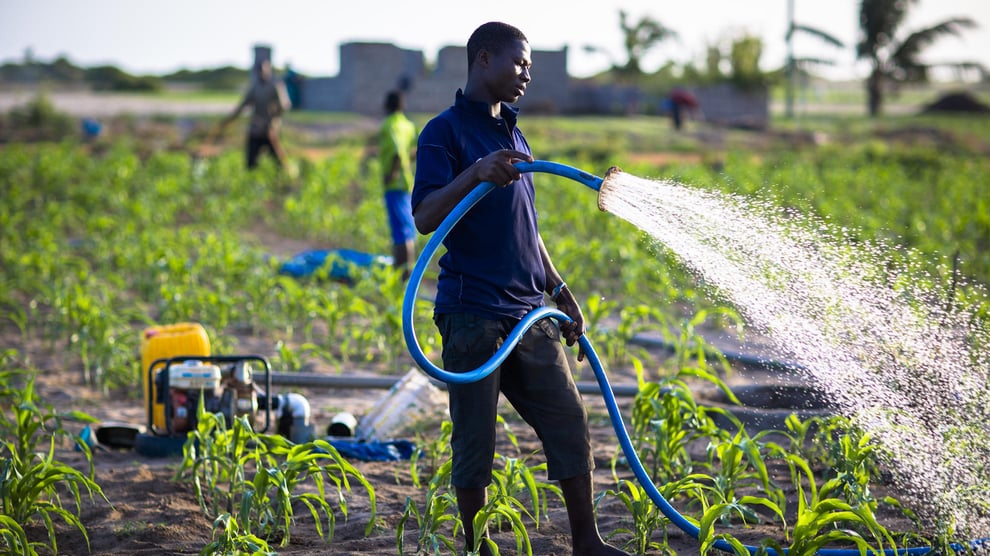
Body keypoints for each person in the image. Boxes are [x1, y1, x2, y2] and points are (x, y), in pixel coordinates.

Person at [411, 21, 628, 556]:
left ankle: (587, 543)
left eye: (529, 65)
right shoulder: (444, 133)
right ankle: (478, 547)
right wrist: (476, 173)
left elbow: (526, 227)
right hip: (473, 314)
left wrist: (560, 289)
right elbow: (424, 215)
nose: (527, 73)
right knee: (474, 445)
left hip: (529, 314)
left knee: (570, 423)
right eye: (518, 62)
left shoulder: (514, 133)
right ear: (484, 59)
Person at [221, 59, 291, 169]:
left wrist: (273, 121)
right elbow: (243, 104)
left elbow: (284, 106)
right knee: (251, 161)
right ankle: (252, 178)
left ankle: (286, 177)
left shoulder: (275, 86)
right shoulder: (255, 87)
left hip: (269, 129)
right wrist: (230, 119)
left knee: (278, 160)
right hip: (256, 128)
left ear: (268, 70)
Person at [378, 90, 418, 278]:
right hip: (407, 182)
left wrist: (391, 173)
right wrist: (406, 165)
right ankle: (406, 272)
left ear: (387, 106)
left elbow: (395, 151)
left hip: (394, 184)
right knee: (407, 228)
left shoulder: (389, 125)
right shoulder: (408, 125)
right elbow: (417, 149)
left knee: (400, 231)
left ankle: (403, 275)